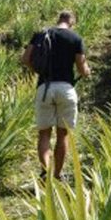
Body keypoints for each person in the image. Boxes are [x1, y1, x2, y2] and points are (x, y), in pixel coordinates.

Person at [21, 10, 91, 180]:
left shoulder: (41, 34)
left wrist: (38, 71)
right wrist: (87, 72)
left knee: (44, 133)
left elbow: (25, 59)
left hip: (44, 88)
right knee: (63, 134)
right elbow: (82, 68)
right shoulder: (75, 38)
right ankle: (58, 175)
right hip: (66, 89)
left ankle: (45, 172)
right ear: (71, 21)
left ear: (58, 19)